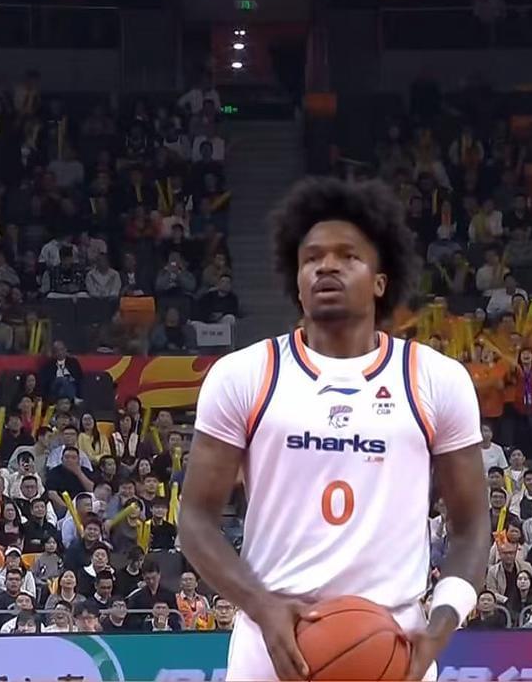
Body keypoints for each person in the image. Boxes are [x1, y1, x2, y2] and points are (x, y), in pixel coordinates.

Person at [179, 178, 489, 680]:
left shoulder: (437, 379)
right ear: (297, 280)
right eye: (311, 258)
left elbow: (471, 527)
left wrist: (442, 623)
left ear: (381, 282)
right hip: (272, 638)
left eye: (348, 256)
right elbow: (195, 519)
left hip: (393, 640)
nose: (326, 266)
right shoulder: (242, 375)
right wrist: (260, 604)